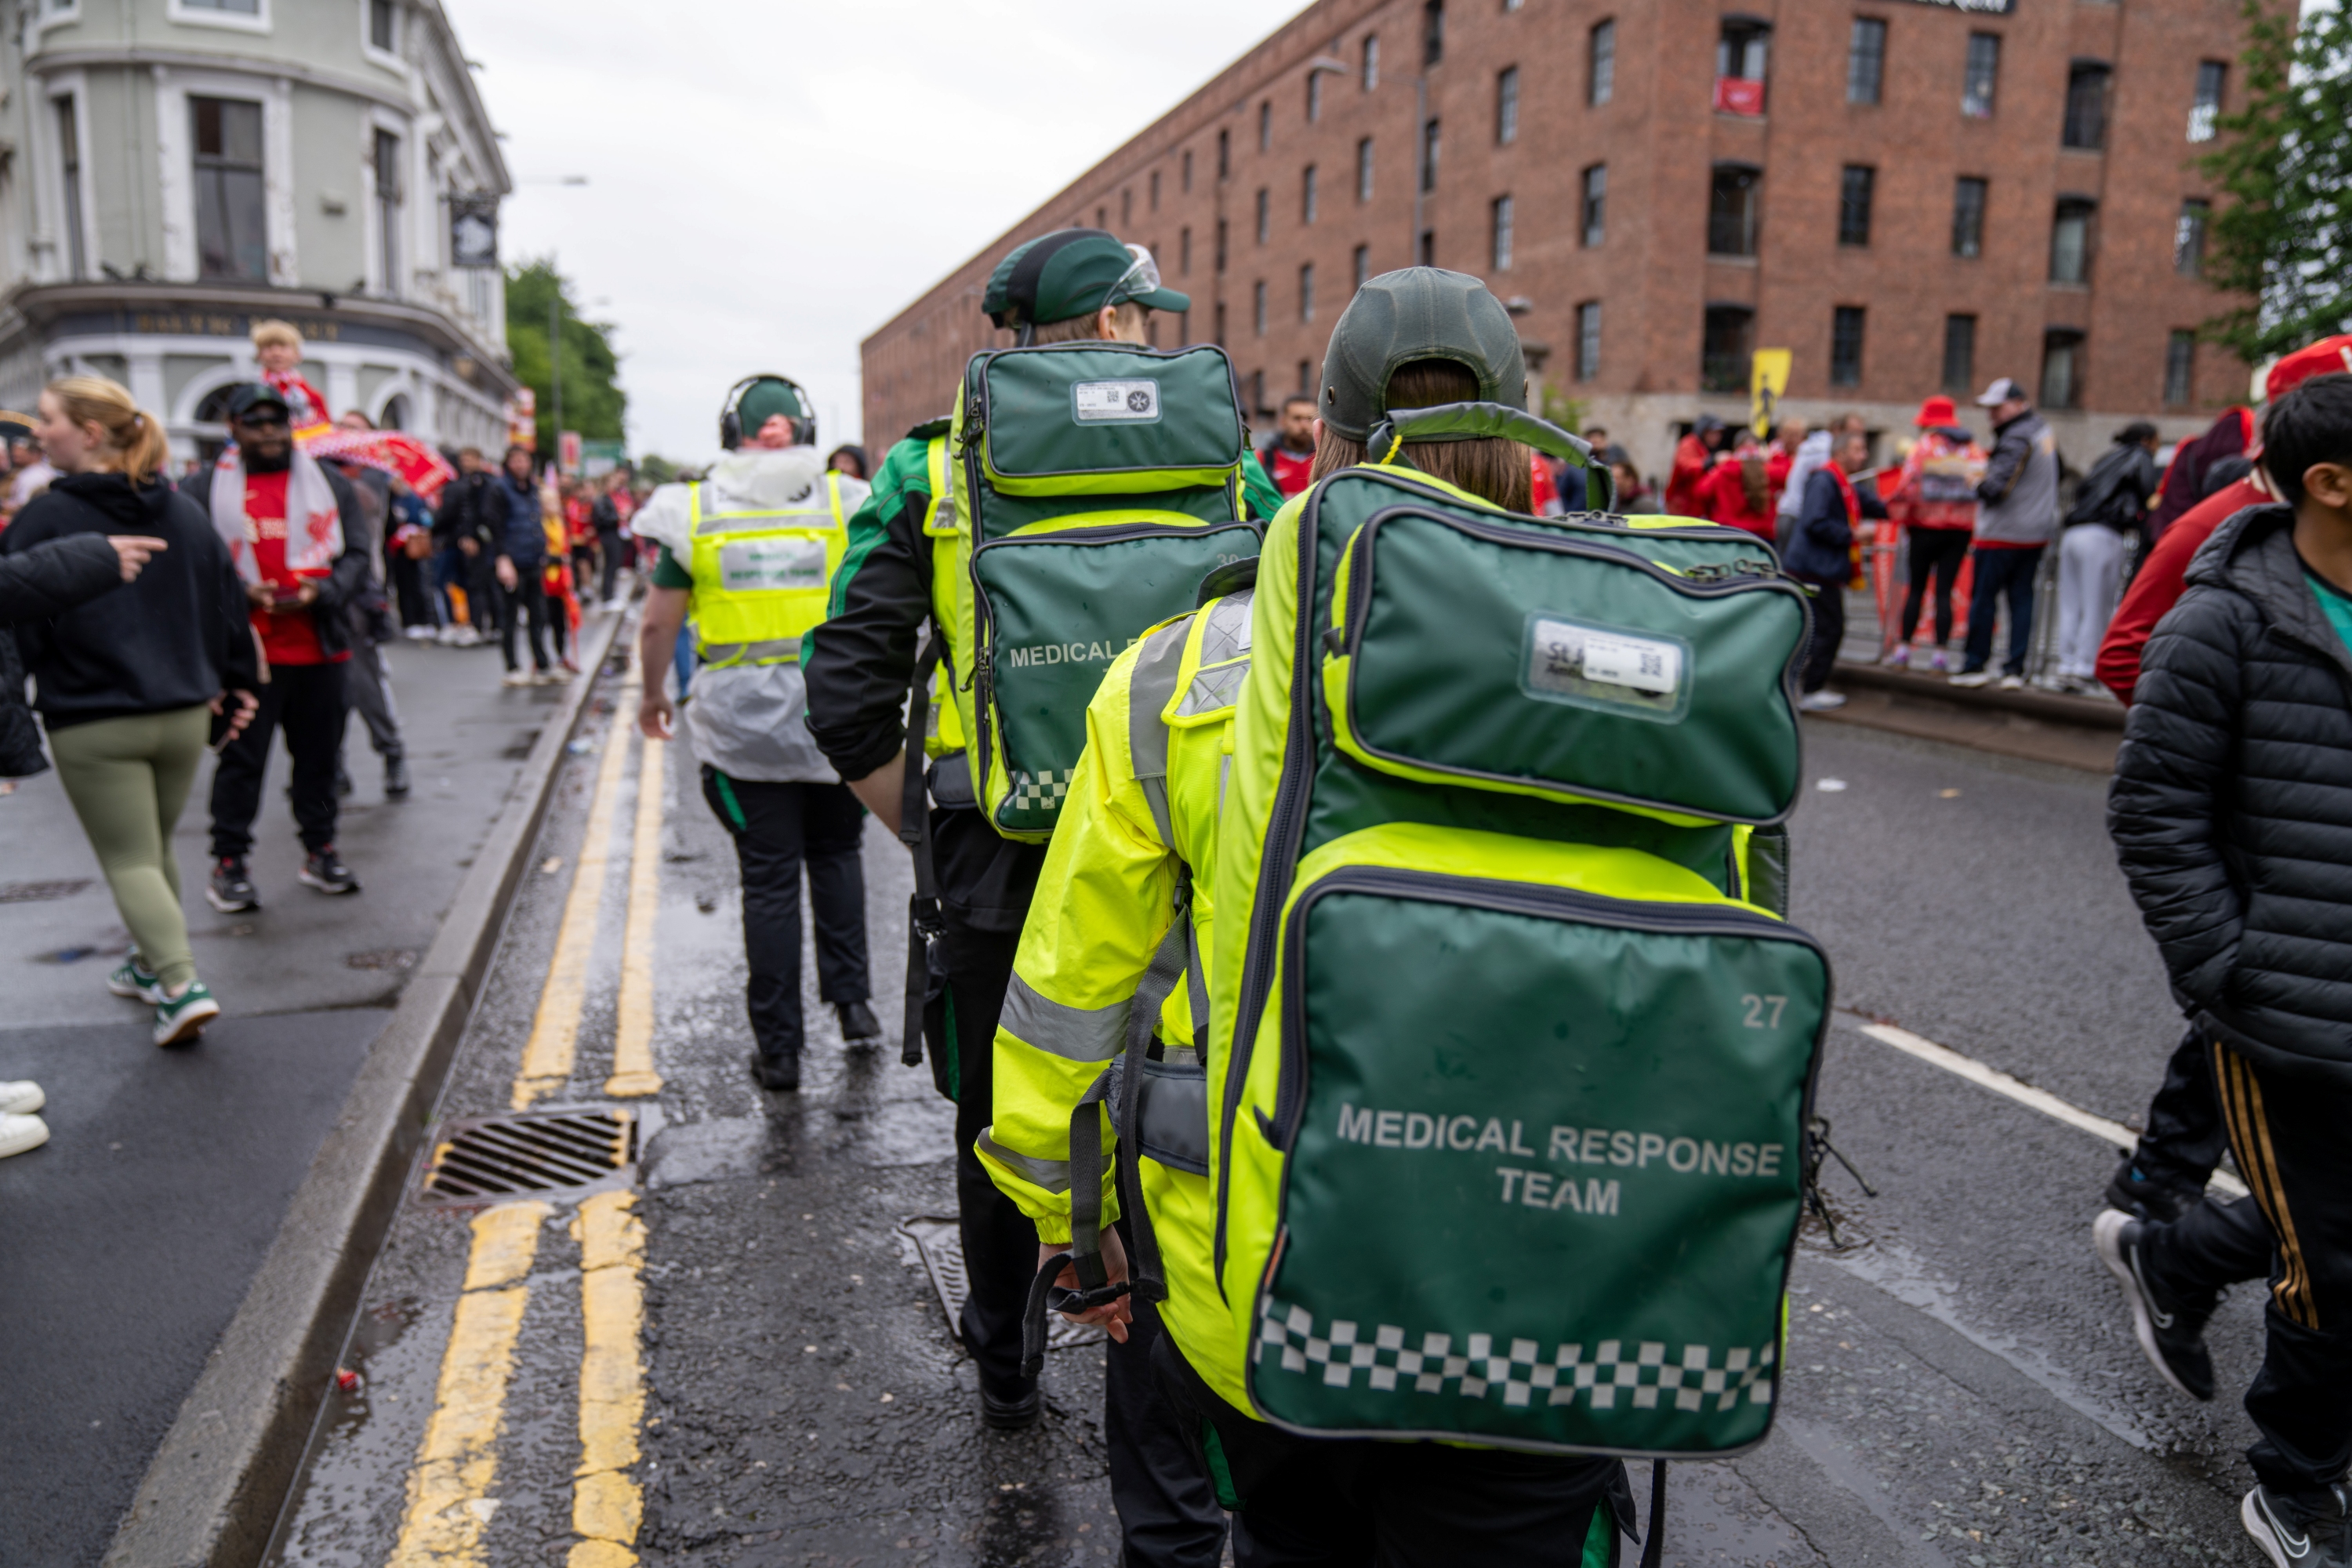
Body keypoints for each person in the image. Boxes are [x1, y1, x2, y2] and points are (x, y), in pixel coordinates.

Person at [985, 268, 1628, 1563]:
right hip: (1549, 1288)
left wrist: (1078, 1233)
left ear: (1318, 442)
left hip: (1265, 1288)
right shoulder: (1643, 660)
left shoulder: (1176, 675)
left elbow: (1075, 995)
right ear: (1528, 435)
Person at [806, 230, 1231, 1568]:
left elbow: (845, 687)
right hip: (1180, 860)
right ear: (1108, 331)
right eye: (1139, 318)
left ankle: (1006, 1365)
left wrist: (930, 843)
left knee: (1009, 1119)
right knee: (1182, 1112)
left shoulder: (933, 472)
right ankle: (1169, 1391)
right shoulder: (1229, 460)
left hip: (1000, 864)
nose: (1153, 336)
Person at [2100, 372, 2352, 1568]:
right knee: (2336, 1269)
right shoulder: (2225, 620)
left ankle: (2167, 1252)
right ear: (2330, 484)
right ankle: (2296, 1486)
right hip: (2284, 1015)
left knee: (2328, 1230)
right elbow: (2155, 810)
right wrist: (2227, 968)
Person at [635, 377, 879, 1091]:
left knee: (768, 881)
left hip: (740, 731)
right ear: (802, 430)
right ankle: (855, 1009)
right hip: (835, 719)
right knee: (837, 855)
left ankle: (780, 1052)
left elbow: (658, 623)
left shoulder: (694, 510)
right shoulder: (846, 500)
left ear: (727, 432)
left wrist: (653, 693)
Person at [2, 376, 260, 1045]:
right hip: (181, 713)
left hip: (94, 717)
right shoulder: (181, 510)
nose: (38, 432)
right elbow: (227, 599)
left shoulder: (43, 518)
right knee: (152, 851)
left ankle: (181, 984)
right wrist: (238, 683)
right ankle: (149, 965)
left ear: (89, 433)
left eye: (49, 420)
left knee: (130, 859)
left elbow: (15, 624)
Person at [191, 382, 369, 909]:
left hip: (320, 646)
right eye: (255, 422)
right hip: (248, 655)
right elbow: (193, 564)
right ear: (234, 429)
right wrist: (240, 593)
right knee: (241, 763)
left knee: (319, 761)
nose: (268, 431)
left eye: (277, 422)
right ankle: (229, 864)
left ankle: (321, 852)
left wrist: (321, 591)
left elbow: (358, 556)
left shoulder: (330, 485)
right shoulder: (204, 488)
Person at [320, 409, 409, 797]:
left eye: (355, 430)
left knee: (364, 684)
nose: (346, 436)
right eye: (341, 428)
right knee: (323, 694)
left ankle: (392, 753)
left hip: (358, 590)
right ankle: (332, 766)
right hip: (320, 590)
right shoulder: (317, 472)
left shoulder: (371, 476)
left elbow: (370, 511)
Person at [1951, 377, 2059, 689]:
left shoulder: (2017, 435)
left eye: (1997, 408)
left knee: (1984, 600)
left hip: (2002, 533)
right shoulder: (2042, 431)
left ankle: (1975, 665)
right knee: (2022, 599)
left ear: (2019, 405)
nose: (1992, 416)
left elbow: (1994, 489)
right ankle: (2015, 668)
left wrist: (1974, 480)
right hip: (2034, 531)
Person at [1781, 428, 1886, 712]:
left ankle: (1801, 688)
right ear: (1840, 454)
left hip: (1818, 569)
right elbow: (1815, 522)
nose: (1863, 456)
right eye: (1858, 450)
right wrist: (1853, 534)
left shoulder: (1839, 481)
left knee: (1818, 630)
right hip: (1814, 570)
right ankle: (1809, 689)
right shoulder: (1825, 479)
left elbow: (1874, 505)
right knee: (1829, 629)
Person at [1880, 396, 1986, 672]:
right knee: (1944, 592)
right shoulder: (1974, 450)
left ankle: (1903, 651)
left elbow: (1907, 486)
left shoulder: (1924, 448)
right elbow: (1982, 487)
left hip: (1923, 528)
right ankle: (1941, 656)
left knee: (1916, 589)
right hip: (1960, 531)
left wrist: (1893, 510)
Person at [2051, 422, 2159, 692]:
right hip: (2104, 534)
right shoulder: (2140, 456)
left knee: (2070, 603)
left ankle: (2066, 664)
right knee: (2096, 604)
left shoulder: (2105, 457)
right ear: (2148, 440)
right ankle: (2085, 667)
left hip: (2074, 532)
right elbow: (2148, 493)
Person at [493, 445, 558, 686]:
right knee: (510, 617)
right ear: (508, 464)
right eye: (516, 461)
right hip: (512, 561)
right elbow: (495, 527)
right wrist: (503, 559)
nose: (521, 465)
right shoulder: (499, 489)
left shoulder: (532, 489)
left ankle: (541, 664)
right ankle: (512, 667)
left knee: (538, 615)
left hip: (533, 560)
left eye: (524, 460)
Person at [434, 446, 500, 645]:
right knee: (479, 584)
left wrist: (470, 536)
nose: (466, 463)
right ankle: (487, 625)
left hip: (467, 541)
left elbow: (469, 514)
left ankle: (471, 625)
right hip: (472, 539)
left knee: (470, 584)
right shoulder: (484, 483)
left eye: (470, 459)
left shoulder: (476, 485)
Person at [250, 319, 332, 434]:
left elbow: (326, 424)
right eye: (269, 347)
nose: (276, 353)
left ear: (297, 354)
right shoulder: (257, 388)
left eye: (283, 347)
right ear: (259, 355)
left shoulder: (306, 391)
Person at [1693, 429, 1776, 539]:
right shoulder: (1772, 471)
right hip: (1762, 537)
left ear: (1736, 448)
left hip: (1729, 533)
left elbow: (1701, 492)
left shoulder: (1723, 470)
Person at [1258, 394, 1318, 499]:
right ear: (1283, 421)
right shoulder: (1263, 459)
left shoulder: (1324, 460)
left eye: (1309, 419)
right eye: (1297, 418)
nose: (1304, 426)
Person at [1664, 413, 1723, 515]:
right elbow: (1685, 467)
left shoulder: (1704, 448)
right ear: (1703, 431)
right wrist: (1711, 461)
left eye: (1719, 434)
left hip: (1694, 509)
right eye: (1712, 433)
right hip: (1682, 509)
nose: (1716, 437)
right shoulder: (1689, 443)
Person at [5, 418, 59, 523]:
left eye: (21, 451)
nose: (15, 454)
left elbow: (25, 506)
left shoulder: (36, 475)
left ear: (34, 454)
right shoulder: (26, 472)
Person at [590, 469, 630, 609]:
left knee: (614, 565)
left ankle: (611, 594)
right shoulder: (602, 499)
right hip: (608, 534)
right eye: (613, 481)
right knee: (610, 566)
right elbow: (601, 518)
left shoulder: (611, 497)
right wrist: (618, 517)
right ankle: (607, 597)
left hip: (615, 533)